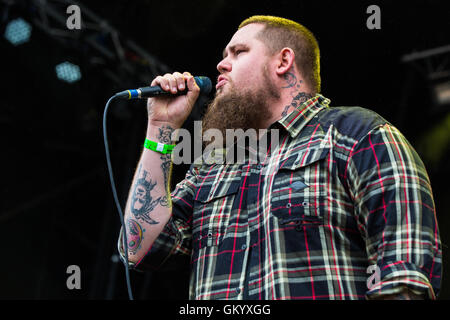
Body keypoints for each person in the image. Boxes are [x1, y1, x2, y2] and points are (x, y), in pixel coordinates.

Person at [118, 15, 442, 300]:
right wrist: (160, 129)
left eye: (238, 52)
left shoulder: (357, 134)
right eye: (224, 55)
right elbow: (141, 249)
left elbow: (403, 275)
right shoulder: (213, 163)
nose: (222, 64)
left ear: (283, 61)